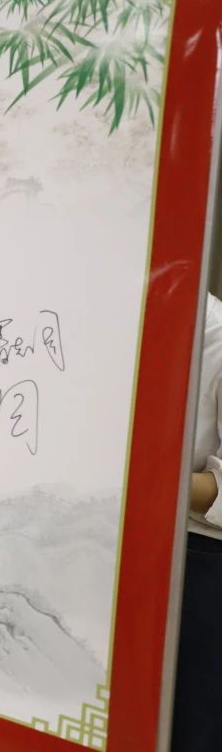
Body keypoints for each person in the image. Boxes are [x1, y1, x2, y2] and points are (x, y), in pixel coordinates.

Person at [174, 291, 222, 751]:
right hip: (109, 541)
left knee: (190, 726)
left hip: (201, 557)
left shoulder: (217, 338)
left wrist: (146, 476)